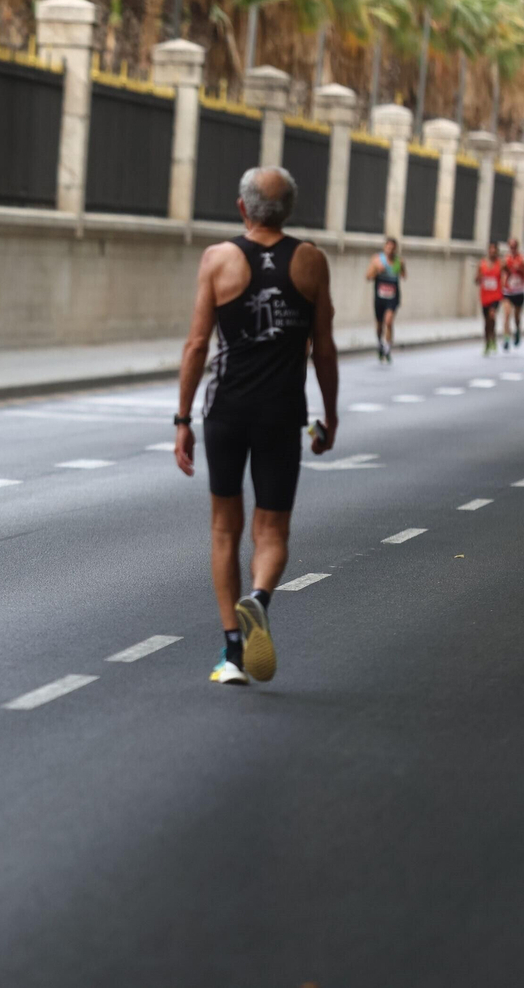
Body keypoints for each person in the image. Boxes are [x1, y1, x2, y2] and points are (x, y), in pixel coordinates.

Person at [174, 167, 339, 687]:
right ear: (287, 211)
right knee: (273, 530)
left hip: (225, 410)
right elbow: (323, 349)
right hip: (281, 411)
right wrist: (329, 414)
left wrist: (182, 420)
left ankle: (231, 655)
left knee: (225, 528)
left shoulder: (218, 259)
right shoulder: (311, 260)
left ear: (243, 209)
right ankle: (260, 597)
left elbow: (198, 345)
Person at [364, 237, 405, 362]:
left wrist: (401, 268)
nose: (390, 250)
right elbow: (368, 277)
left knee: (389, 321)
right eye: (388, 247)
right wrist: (377, 270)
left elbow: (404, 275)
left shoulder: (399, 261)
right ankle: (379, 343)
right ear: (384, 247)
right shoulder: (377, 260)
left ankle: (387, 347)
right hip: (379, 296)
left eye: (393, 248)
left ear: (395, 249)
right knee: (379, 325)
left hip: (393, 296)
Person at [474, 242, 505, 356]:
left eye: (494, 250)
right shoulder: (482, 264)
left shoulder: (501, 264)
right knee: (486, 321)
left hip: (496, 295)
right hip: (485, 296)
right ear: (488, 251)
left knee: (492, 316)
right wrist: (479, 277)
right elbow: (476, 280)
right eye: (491, 250)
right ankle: (488, 341)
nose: (492, 252)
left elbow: (508, 273)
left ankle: (492, 338)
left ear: (497, 251)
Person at [501, 238, 524, 351]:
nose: (512, 249)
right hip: (508, 291)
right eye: (511, 246)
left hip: (518, 291)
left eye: (514, 246)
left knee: (517, 317)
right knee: (507, 315)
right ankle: (506, 338)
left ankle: (517, 331)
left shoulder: (523, 259)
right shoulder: (506, 259)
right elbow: (502, 271)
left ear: (517, 247)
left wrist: (521, 270)